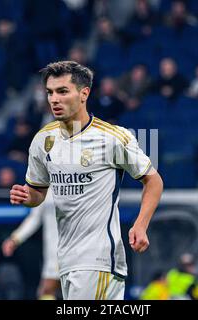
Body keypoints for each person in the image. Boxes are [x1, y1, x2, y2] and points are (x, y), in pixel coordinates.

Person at [9, 61, 163, 300]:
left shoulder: (112, 137)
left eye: (62, 91)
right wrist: (28, 197)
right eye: (50, 92)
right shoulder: (43, 140)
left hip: (98, 259)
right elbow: (38, 192)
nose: (54, 99)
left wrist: (141, 224)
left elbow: (153, 181)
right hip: (66, 260)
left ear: (84, 94)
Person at [2, 188, 59, 299]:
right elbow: (34, 218)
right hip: (53, 253)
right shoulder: (45, 187)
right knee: (46, 291)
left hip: (79, 250)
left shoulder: (81, 181)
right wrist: (15, 239)